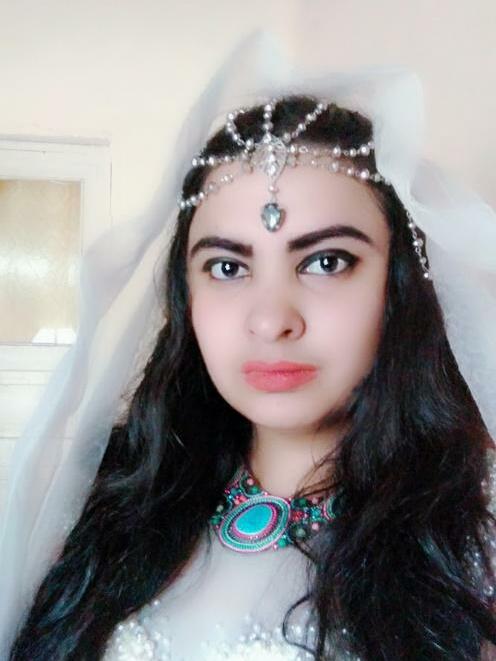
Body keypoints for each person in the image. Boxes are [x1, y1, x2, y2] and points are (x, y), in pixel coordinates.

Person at [2, 34, 496, 660]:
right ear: (185, 294)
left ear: (399, 286)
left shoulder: (470, 528)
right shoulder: (107, 498)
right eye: (228, 268)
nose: (270, 320)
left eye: (326, 261)